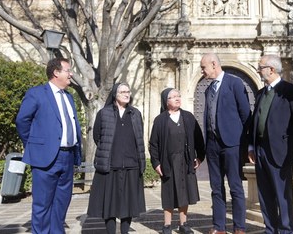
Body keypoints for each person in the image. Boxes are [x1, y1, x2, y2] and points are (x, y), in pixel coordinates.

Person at [15, 57, 83, 234]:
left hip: (67, 157)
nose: (71, 74)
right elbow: (22, 121)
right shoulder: (37, 93)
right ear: (56, 72)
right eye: (68, 70)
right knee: (42, 205)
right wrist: (34, 145)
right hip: (45, 158)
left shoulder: (69, 97)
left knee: (61, 202)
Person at [246, 54, 293, 234]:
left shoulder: (291, 91)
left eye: (260, 67)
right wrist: (251, 146)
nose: (258, 70)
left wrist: (287, 140)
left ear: (271, 69)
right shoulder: (260, 94)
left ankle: (286, 230)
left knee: (283, 195)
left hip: (280, 151)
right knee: (265, 194)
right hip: (260, 151)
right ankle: (270, 228)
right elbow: (254, 122)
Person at [200, 53, 251, 234]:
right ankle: (219, 227)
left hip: (232, 145)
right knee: (216, 187)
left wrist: (248, 145)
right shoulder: (207, 90)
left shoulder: (234, 83)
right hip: (213, 145)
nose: (202, 71)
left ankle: (239, 227)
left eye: (203, 67)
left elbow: (246, 116)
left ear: (214, 65)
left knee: (235, 187)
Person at [87, 83, 146, 234]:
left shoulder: (135, 113)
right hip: (110, 165)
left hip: (132, 165)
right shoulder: (104, 113)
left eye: (128, 91)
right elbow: (97, 136)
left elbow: (139, 137)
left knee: (129, 205)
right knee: (109, 205)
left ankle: (125, 232)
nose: (127, 94)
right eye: (123, 92)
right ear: (115, 94)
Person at [149, 88, 206, 234]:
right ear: (166, 101)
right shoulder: (160, 120)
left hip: (186, 161)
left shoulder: (188, 117)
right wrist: (156, 163)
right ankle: (167, 225)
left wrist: (200, 156)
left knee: (184, 192)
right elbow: (153, 144)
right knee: (169, 192)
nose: (177, 98)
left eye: (178, 96)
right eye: (173, 97)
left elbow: (199, 138)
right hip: (168, 162)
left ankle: (183, 224)